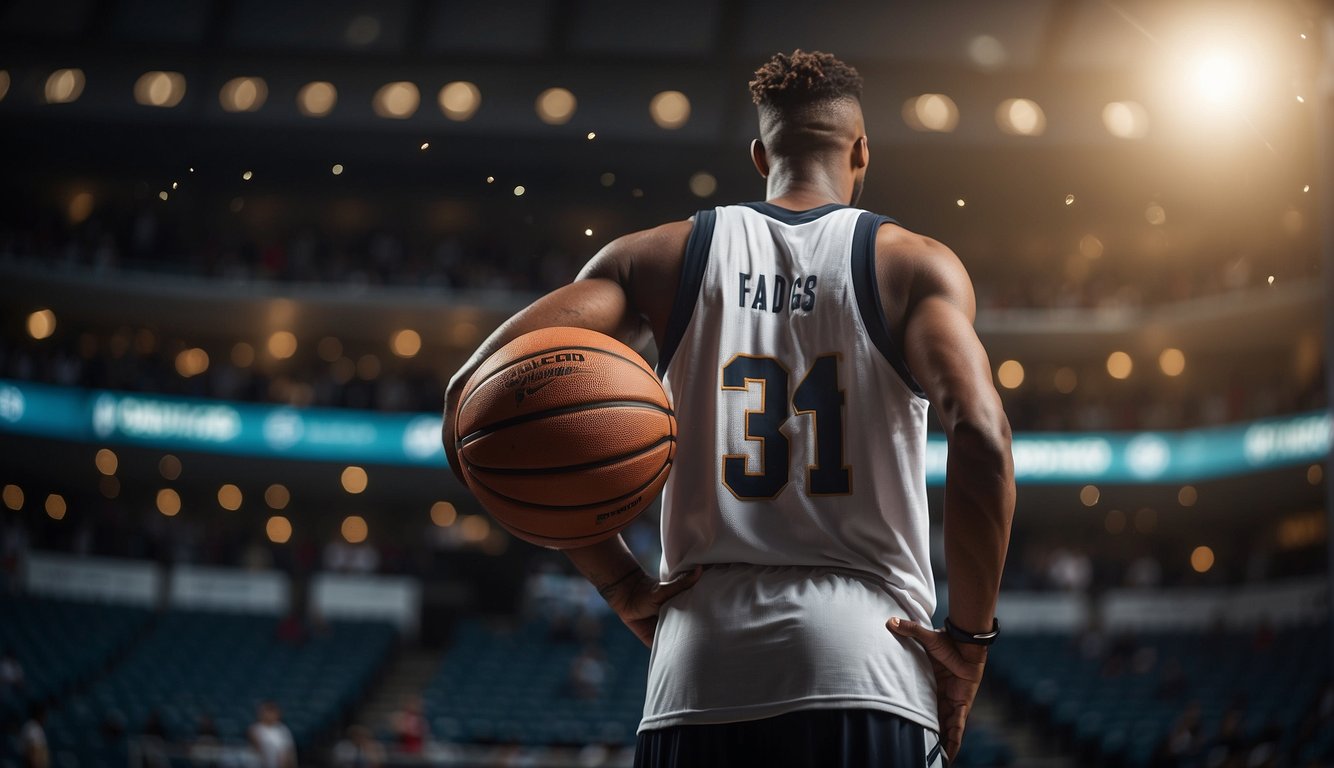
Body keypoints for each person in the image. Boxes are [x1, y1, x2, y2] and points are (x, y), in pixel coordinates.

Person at [443, 49, 1015, 767]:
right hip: (869, 660)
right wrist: (968, 643)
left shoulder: (655, 258)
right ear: (862, 150)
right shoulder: (911, 263)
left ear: (758, 154)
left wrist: (620, 582)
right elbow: (983, 437)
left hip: (697, 670)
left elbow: (470, 404)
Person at [248, 701, 296, 768]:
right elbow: (257, 748)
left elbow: (288, 752)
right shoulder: (256, 729)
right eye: (267, 712)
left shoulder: (283, 729)